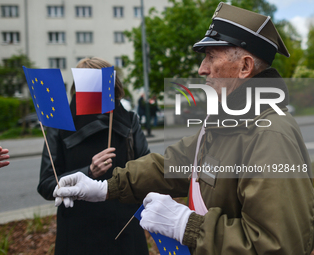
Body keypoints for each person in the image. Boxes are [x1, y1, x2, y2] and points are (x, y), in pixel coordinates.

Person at [53, 3, 314, 255]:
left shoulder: (269, 134)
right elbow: (170, 164)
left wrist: (187, 225)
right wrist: (105, 187)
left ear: (245, 67)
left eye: (212, 57)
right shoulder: (227, 122)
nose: (202, 69)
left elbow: (278, 246)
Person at [37, 57, 150, 255]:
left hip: (124, 231)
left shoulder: (129, 121)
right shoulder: (58, 124)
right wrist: (88, 171)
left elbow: (148, 175)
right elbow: (47, 185)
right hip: (78, 235)